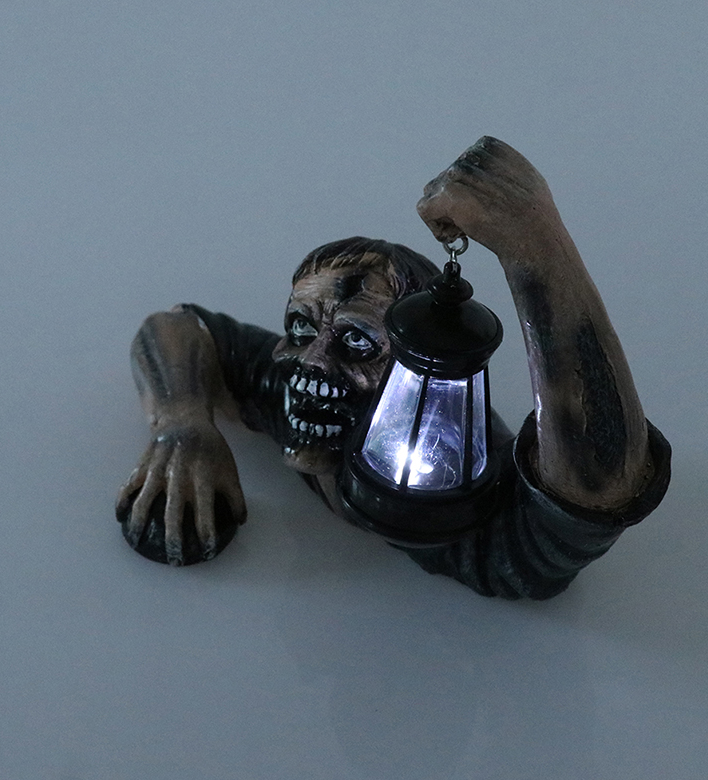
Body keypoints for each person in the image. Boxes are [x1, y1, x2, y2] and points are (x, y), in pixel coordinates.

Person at [116, 137, 670, 599]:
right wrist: (182, 423)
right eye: (301, 327)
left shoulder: (459, 496)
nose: (312, 360)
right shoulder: (301, 387)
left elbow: (598, 483)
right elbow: (176, 328)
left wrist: (534, 246)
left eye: (357, 340)